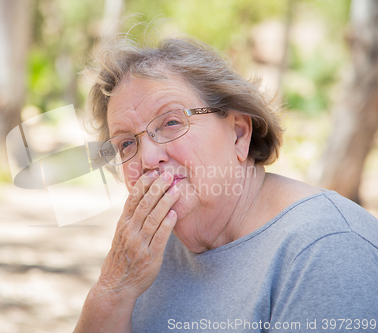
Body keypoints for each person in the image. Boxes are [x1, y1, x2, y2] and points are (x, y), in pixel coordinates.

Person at [73, 35, 378, 333]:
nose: (148, 158)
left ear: (239, 134)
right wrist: (113, 290)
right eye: (126, 143)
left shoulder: (327, 249)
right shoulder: (145, 251)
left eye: (171, 122)